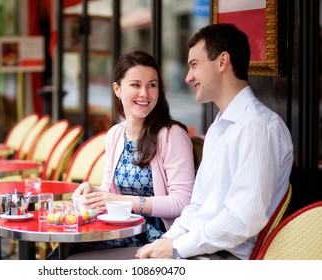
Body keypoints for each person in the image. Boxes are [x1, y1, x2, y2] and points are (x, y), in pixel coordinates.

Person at [68, 23, 294, 260]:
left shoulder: (258, 126)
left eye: (194, 65)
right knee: (74, 258)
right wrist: (167, 242)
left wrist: (177, 247)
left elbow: (243, 219)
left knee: (79, 263)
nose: (187, 77)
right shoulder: (219, 127)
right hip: (196, 249)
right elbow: (195, 208)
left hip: (221, 257)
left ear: (222, 62)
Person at [57, 50, 195, 259]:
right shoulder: (115, 134)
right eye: (135, 85)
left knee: (73, 257)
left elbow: (183, 201)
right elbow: (109, 190)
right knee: (65, 250)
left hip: (157, 239)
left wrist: (127, 202)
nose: (145, 94)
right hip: (119, 228)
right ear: (117, 89)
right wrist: (93, 191)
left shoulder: (171, 135)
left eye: (152, 85)